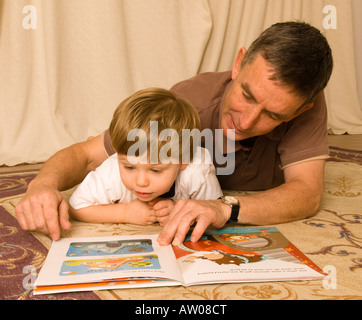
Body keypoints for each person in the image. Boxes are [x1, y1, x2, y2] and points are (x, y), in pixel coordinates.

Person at [15, 21, 333, 246]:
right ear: (238, 63)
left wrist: (224, 208)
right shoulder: (186, 105)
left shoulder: (307, 105)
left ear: (301, 109)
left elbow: (306, 193)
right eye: (247, 95)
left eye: (273, 115)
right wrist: (42, 185)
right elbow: (87, 156)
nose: (247, 121)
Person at [68, 88, 223, 225]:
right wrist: (125, 213)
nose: (141, 182)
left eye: (155, 170)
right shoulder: (112, 170)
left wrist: (179, 211)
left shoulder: (197, 169)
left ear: (184, 160)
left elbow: (215, 210)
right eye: (129, 167)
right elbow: (76, 207)